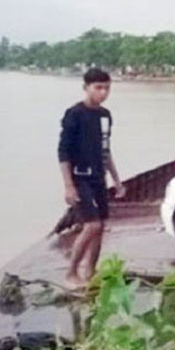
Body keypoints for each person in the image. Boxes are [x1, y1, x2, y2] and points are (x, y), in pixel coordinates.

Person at [57, 67, 125, 287]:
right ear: (86, 87)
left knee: (101, 226)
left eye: (107, 88)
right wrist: (68, 185)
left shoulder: (105, 115)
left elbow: (106, 150)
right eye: (98, 88)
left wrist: (117, 180)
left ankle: (90, 272)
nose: (103, 92)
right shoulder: (74, 114)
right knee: (92, 225)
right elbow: (63, 152)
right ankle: (71, 273)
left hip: (98, 177)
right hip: (79, 177)